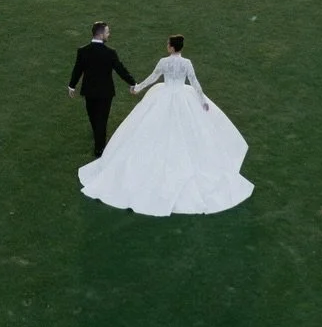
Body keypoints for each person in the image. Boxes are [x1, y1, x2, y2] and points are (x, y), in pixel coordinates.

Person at [78, 34, 252, 216]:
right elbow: (194, 82)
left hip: (164, 95)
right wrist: (202, 101)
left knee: (151, 130)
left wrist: (137, 88)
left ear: (171, 47)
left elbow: (153, 77)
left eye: (167, 44)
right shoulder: (187, 63)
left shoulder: (164, 62)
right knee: (188, 131)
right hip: (183, 97)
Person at [67, 21, 138, 157]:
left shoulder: (83, 51)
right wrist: (132, 83)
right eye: (107, 32)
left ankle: (98, 141)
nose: (109, 34)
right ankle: (100, 149)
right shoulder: (110, 53)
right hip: (105, 92)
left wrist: (72, 85)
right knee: (102, 119)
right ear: (100, 35)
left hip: (89, 91)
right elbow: (120, 69)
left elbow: (77, 70)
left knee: (93, 116)